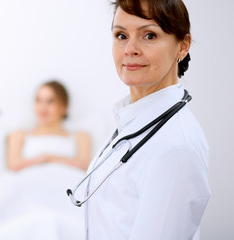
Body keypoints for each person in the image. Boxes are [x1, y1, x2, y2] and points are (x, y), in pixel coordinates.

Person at [68, 0, 211, 239]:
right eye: (121, 35)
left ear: (183, 46)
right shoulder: (133, 121)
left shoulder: (176, 147)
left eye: (149, 36)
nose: (130, 49)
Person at [0, 81, 91, 240]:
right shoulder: (21, 134)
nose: (42, 107)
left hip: (66, 190)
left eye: (50, 101)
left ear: (63, 107)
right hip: (27, 188)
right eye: (38, 100)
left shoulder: (80, 136)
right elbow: (14, 164)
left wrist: (49, 157)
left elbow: (85, 164)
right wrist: (43, 158)